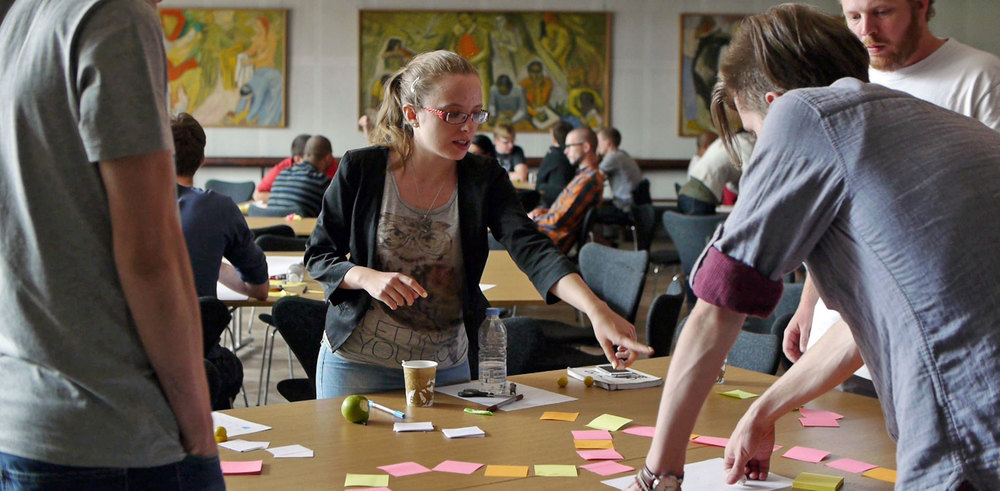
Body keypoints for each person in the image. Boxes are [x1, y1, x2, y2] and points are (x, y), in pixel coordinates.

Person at [628, 5, 1000, 490]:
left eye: (754, 133)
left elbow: (716, 310)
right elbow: (862, 328)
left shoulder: (800, 112)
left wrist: (658, 473)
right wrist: (763, 410)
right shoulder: (924, 121)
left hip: (973, 424)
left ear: (776, 101)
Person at [304, 50, 650, 398]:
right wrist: (366, 277)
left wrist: (595, 309)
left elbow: (534, 250)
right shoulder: (361, 169)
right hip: (358, 364)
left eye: (476, 113)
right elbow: (319, 255)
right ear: (412, 115)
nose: (469, 126)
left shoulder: (484, 178)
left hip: (446, 366)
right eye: (453, 114)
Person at [0, 0, 222, 488]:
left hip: (22, 417)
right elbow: (150, 257)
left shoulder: (22, 17)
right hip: (112, 427)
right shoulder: (117, 14)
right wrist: (201, 432)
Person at [785, 0, 1000, 394]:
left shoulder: (979, 76)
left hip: (930, 346)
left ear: (921, 5)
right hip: (836, 344)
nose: (866, 30)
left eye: (882, 13)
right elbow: (837, 209)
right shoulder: (845, 79)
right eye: (853, 17)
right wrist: (808, 302)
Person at [172, 112, 268, 409]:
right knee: (228, 366)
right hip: (196, 356)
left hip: (132, 356)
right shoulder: (218, 208)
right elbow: (259, 289)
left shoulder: (126, 203)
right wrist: (211, 260)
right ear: (202, 160)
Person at [529, 127, 606, 253]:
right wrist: (540, 212)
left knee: (499, 234)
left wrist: (529, 220)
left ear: (586, 147)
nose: (565, 151)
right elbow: (562, 211)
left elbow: (558, 221)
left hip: (547, 242)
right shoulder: (583, 176)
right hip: (543, 235)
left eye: (569, 146)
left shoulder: (588, 180)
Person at [676, 132, 753, 215]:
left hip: (688, 194)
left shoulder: (729, 141)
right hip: (699, 198)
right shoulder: (746, 142)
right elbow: (751, 177)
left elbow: (734, 184)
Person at [267, 135, 334, 217]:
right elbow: (336, 215)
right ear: (328, 158)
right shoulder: (322, 181)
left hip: (270, 224)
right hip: (301, 225)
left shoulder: (281, 174)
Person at [254, 133, 324, 202]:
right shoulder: (282, 169)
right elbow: (258, 195)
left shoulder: (326, 163)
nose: (319, 161)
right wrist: (290, 196)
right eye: (310, 156)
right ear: (298, 159)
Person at [594, 127, 643, 223]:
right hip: (632, 204)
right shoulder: (622, 154)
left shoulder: (613, 157)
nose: (597, 145)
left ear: (608, 143)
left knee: (590, 213)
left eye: (598, 142)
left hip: (624, 206)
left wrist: (594, 156)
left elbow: (592, 179)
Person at [535, 120, 576, 208]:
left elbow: (539, 181)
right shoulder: (574, 155)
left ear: (554, 138)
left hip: (552, 204)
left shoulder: (553, 155)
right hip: (571, 201)